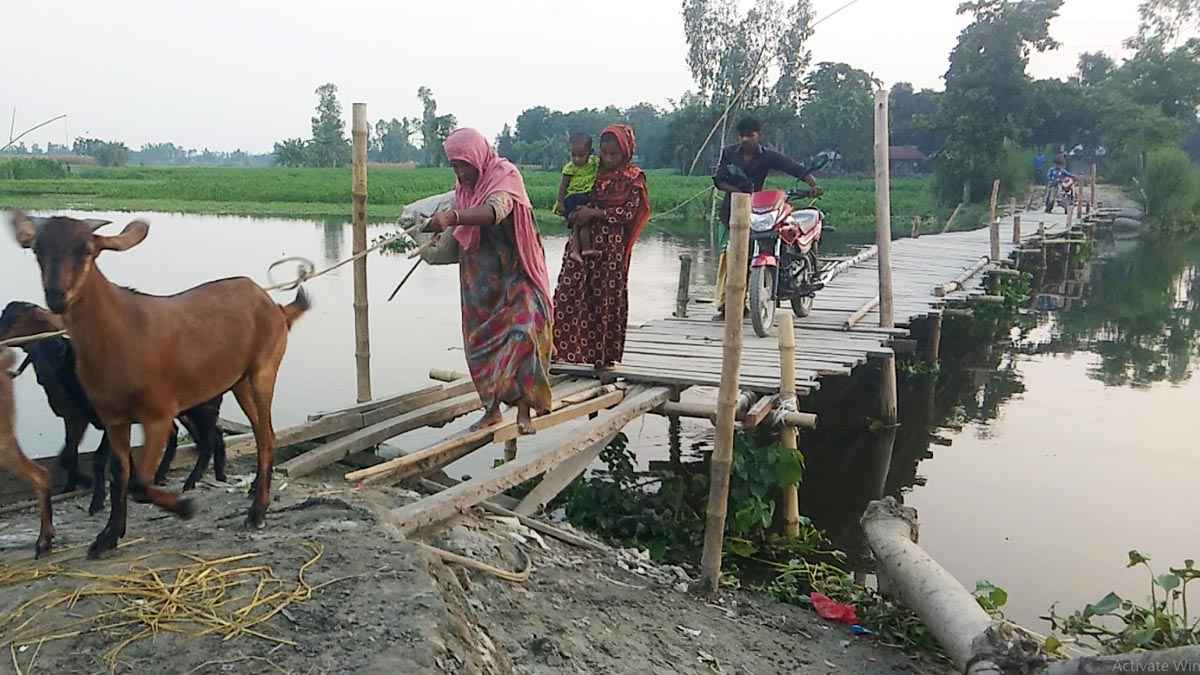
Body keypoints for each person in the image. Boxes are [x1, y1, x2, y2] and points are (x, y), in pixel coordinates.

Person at [424, 128, 554, 434]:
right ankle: (492, 410)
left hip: (516, 268)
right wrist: (439, 226)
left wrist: (453, 217)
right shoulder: (464, 186)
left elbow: (496, 210)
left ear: (476, 157)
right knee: (479, 342)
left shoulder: (504, 176)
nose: (459, 172)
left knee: (525, 332)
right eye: (454, 165)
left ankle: (525, 410)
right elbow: (459, 216)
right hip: (480, 275)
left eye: (463, 164)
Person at [553, 124, 651, 369]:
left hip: (610, 249)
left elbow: (628, 213)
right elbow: (572, 193)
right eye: (604, 153)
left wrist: (595, 213)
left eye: (613, 155)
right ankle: (560, 352)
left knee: (604, 299)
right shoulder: (590, 170)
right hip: (580, 242)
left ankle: (601, 358)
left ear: (626, 152)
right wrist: (573, 211)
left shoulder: (633, 178)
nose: (608, 159)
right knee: (568, 293)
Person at [710, 116, 821, 321]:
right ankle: (728, 305)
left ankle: (753, 295)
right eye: (742, 136)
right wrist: (739, 194)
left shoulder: (767, 156)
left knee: (751, 254)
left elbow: (792, 167)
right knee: (731, 258)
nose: (745, 139)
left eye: (750, 135)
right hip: (730, 214)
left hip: (756, 212)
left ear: (758, 135)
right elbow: (719, 180)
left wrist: (812, 183)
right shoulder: (729, 153)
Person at [554, 133, 601, 263]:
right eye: (573, 155)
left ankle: (576, 251)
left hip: (585, 197)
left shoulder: (594, 163)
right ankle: (584, 249)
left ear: (590, 152)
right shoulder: (570, 168)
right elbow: (563, 186)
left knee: (577, 225)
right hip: (573, 198)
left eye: (581, 155)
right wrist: (560, 202)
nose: (576, 159)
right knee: (581, 222)